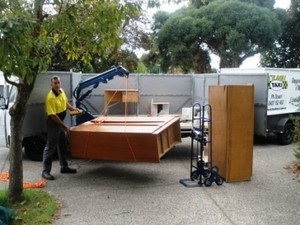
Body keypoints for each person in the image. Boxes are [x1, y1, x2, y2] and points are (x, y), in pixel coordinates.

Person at [42, 75, 79, 180]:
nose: (57, 85)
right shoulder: (50, 97)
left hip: (60, 121)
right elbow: (53, 116)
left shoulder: (61, 91)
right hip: (53, 123)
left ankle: (64, 167)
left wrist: (74, 109)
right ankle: (45, 171)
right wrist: (64, 126)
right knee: (50, 147)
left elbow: (66, 103)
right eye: (55, 83)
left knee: (62, 144)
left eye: (58, 83)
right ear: (51, 84)